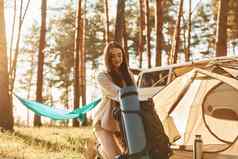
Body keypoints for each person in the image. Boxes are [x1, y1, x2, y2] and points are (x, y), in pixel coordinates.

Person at [90, 41, 135, 159]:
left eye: (119, 55)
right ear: (107, 58)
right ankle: (100, 150)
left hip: (124, 124)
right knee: (114, 156)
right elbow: (120, 94)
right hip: (105, 123)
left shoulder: (128, 74)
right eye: (112, 56)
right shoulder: (102, 76)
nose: (117, 58)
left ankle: (101, 151)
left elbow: (134, 95)